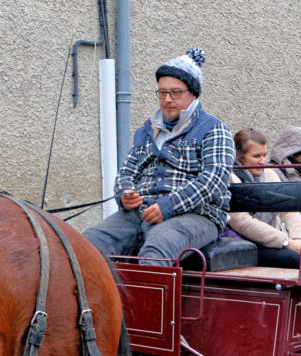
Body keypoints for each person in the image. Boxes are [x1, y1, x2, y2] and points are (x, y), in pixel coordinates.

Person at [83, 48, 235, 266]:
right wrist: (125, 194)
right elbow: (127, 172)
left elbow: (213, 181)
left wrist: (168, 206)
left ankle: (151, 301)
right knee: (87, 245)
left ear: (193, 93)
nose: (167, 99)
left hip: (198, 215)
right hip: (141, 212)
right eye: (162, 92)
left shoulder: (214, 129)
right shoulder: (146, 130)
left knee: (156, 250)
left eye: (175, 92)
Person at [226, 128, 301, 268]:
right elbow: (242, 222)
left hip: (275, 239)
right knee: (293, 258)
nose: (262, 161)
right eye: (256, 156)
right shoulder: (231, 179)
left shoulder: (269, 174)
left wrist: (300, 240)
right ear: (239, 156)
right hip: (246, 244)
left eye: (264, 155)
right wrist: (286, 242)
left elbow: (288, 210)